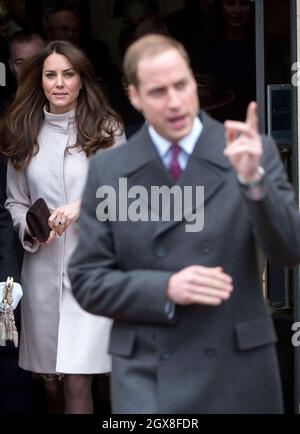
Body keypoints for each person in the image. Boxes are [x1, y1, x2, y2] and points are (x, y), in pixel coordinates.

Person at [68, 34, 300, 414]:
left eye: (181, 85)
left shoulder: (248, 150)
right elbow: (87, 280)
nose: (174, 101)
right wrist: (165, 287)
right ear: (135, 97)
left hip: (236, 367)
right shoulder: (110, 170)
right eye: (158, 91)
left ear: (193, 82)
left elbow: (289, 250)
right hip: (148, 369)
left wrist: (254, 183)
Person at [2, 40, 125, 414]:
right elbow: (15, 201)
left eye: (68, 74)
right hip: (41, 272)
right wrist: (30, 229)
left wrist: (80, 207)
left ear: (82, 80)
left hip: (91, 271)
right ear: (39, 81)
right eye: (50, 74)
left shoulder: (107, 129)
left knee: (77, 379)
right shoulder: (24, 130)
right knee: (50, 384)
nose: (59, 83)